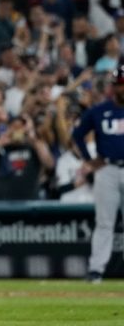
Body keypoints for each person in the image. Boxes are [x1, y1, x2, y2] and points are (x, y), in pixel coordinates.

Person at [72, 65, 124, 283]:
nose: (121, 89)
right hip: (108, 169)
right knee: (104, 222)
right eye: (120, 85)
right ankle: (96, 270)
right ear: (113, 87)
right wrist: (89, 160)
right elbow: (77, 134)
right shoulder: (99, 111)